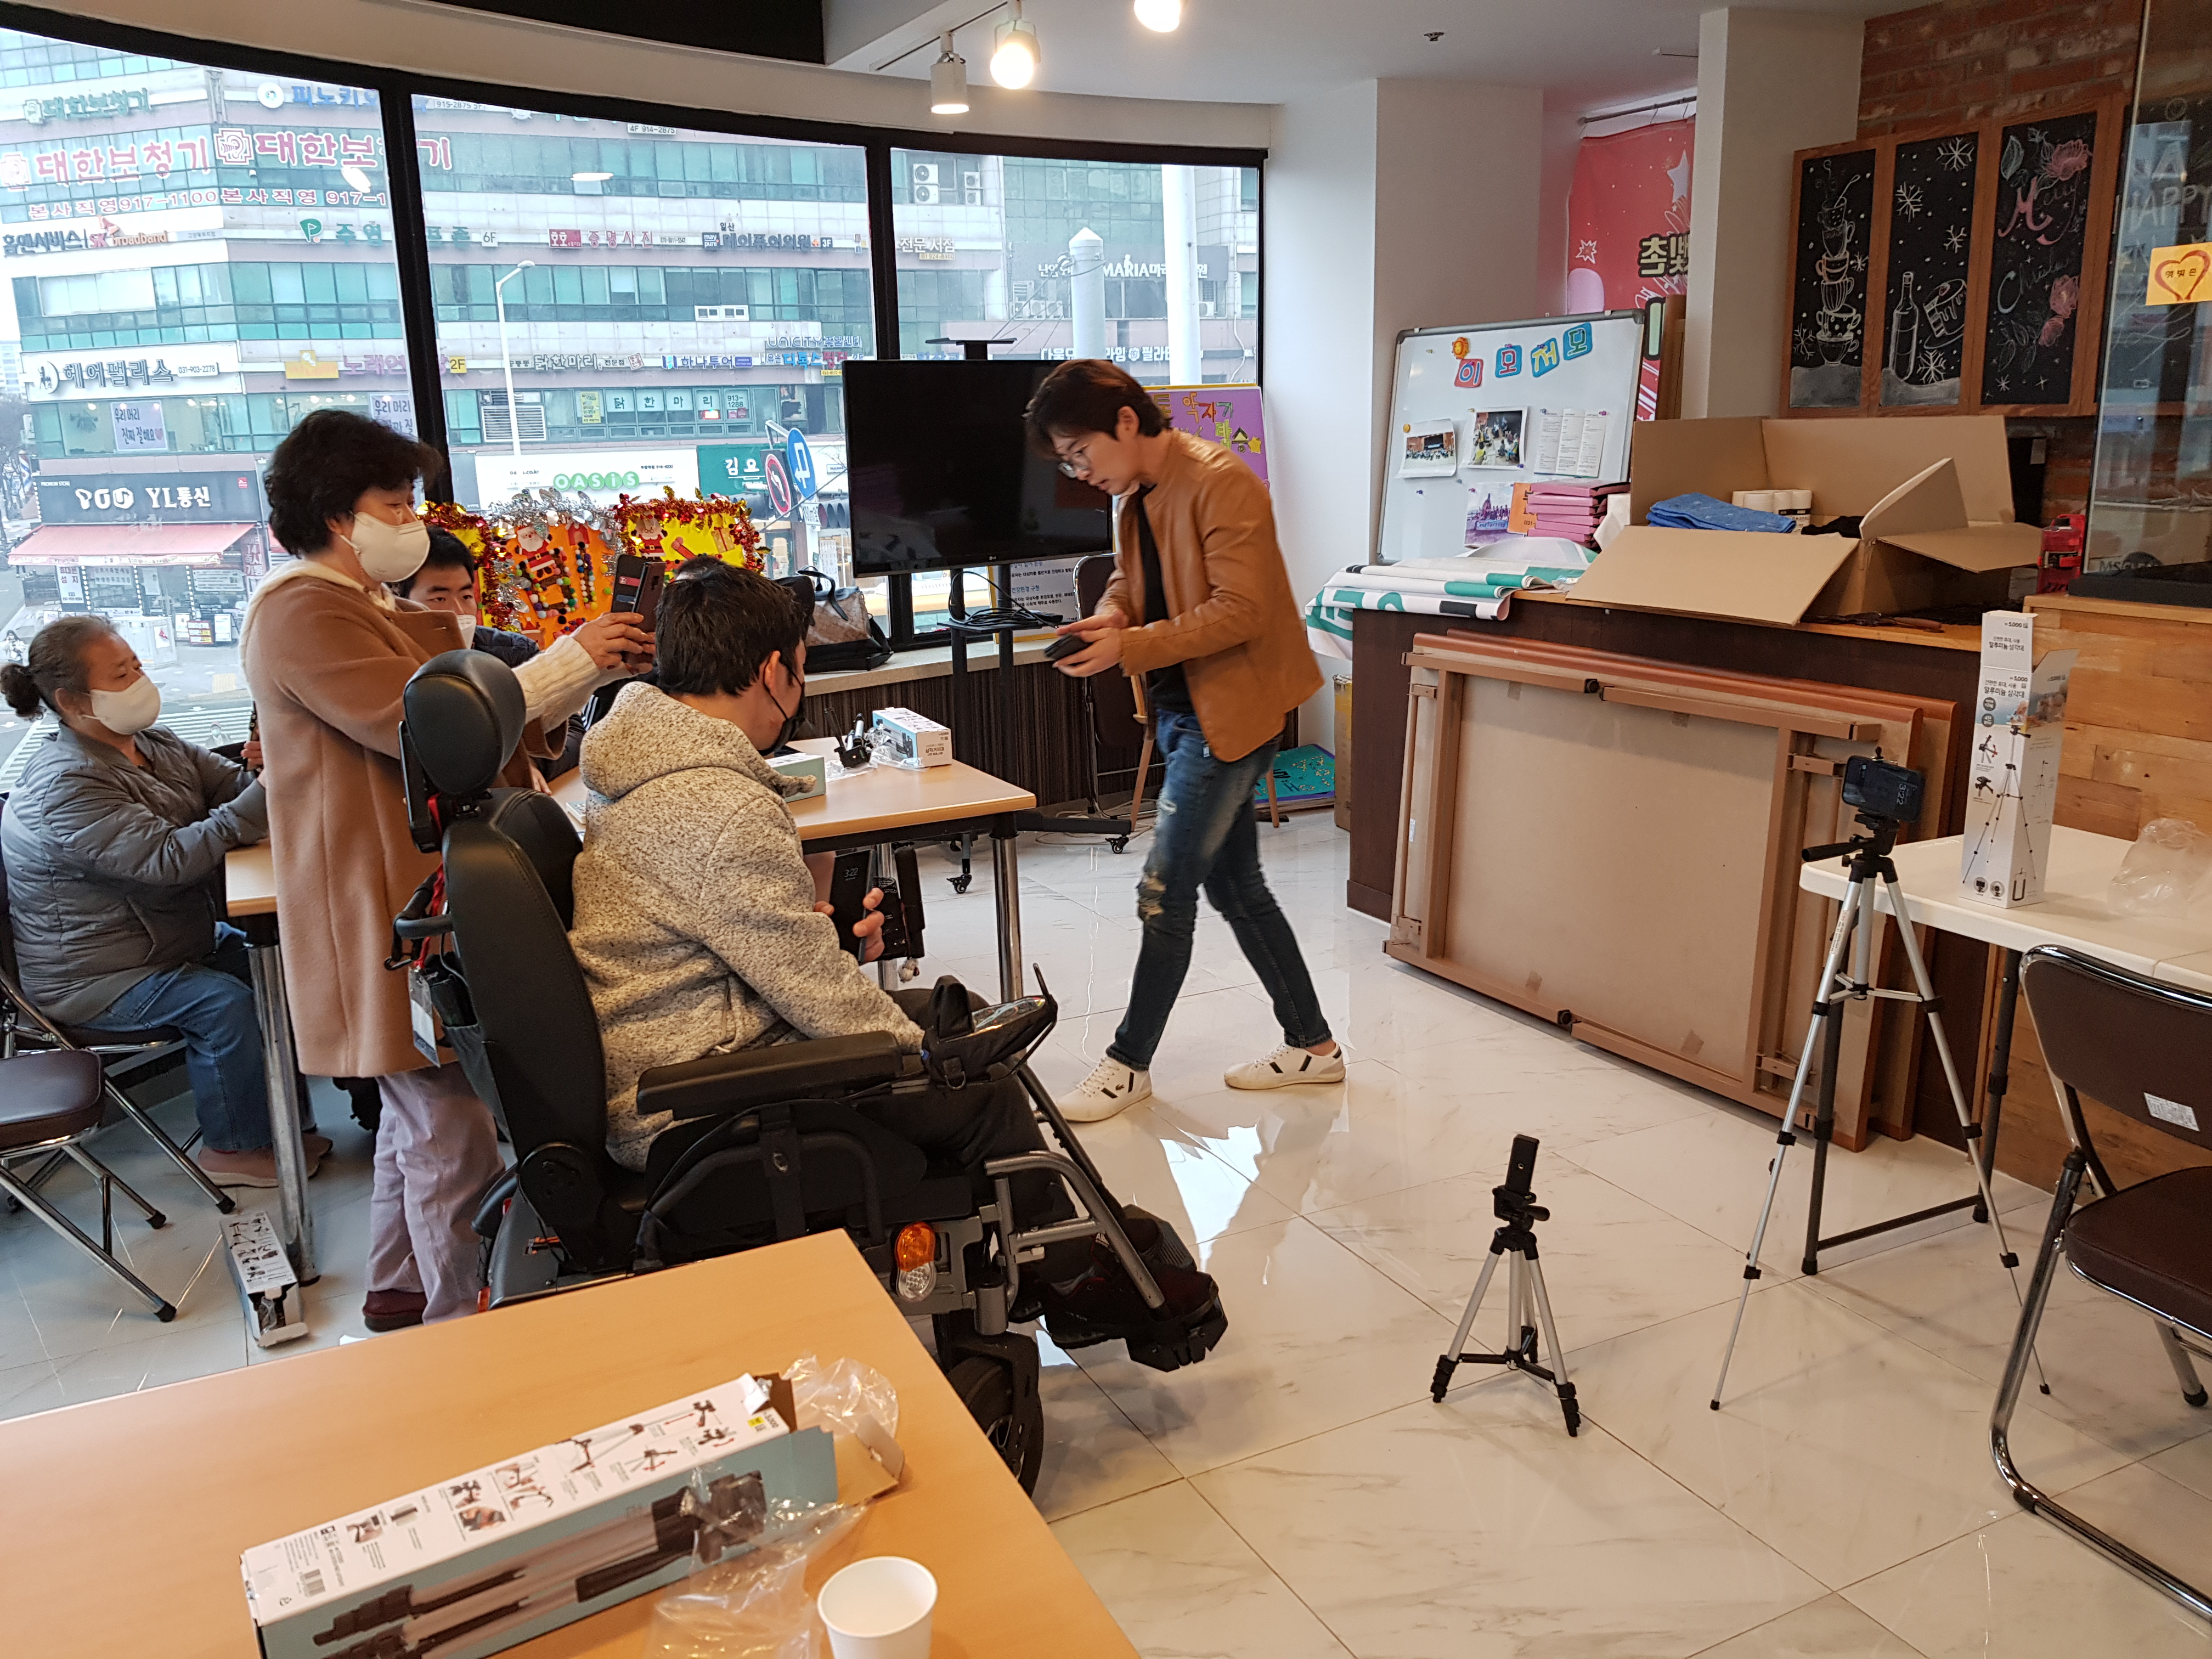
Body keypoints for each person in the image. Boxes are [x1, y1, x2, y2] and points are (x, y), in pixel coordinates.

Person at [568, 561, 1223, 1357]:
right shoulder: (718, 806)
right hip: (701, 1103)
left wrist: (841, 955)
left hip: (681, 1055)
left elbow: (735, 943)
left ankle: (1063, 1253)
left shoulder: (635, 770)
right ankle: (1066, 1276)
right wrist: (929, 1060)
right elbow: (824, 1002)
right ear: (774, 672)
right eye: (800, 670)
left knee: (964, 1018)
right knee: (979, 1085)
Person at [241, 409, 650, 1330]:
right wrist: (568, 661)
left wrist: (583, 671)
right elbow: (439, 728)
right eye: (394, 504)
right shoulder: (301, 609)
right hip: (377, 900)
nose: (411, 522)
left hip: (411, 889)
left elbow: (488, 713)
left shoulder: (367, 604)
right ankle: (460, 1332)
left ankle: (397, 1287)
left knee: (418, 1109)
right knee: (447, 1126)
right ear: (337, 515)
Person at [1032, 359, 1341, 1121]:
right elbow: (1132, 582)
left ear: (1125, 422)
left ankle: (1127, 1064)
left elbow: (1242, 610)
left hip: (1228, 716)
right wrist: (1114, 615)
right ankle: (1313, 1047)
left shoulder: (1222, 483)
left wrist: (1130, 647)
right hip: (1182, 708)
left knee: (1163, 894)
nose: (1080, 472)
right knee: (1239, 890)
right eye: (1067, 462)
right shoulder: (1134, 491)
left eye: (1080, 453)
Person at [0, 616, 326, 1187]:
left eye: (137, 666)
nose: (140, 681)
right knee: (225, 1005)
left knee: (282, 968)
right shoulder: (65, 784)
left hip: (167, 940)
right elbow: (168, 862)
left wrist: (262, 766)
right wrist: (267, 789)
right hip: (96, 976)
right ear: (71, 700)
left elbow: (229, 790)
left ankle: (284, 1126)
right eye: (121, 675)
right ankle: (233, 1149)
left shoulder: (154, 744)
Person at [390, 528, 543, 670]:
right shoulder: (388, 661)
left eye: (466, 597)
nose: (460, 611)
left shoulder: (517, 654)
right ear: (401, 601)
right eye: (440, 599)